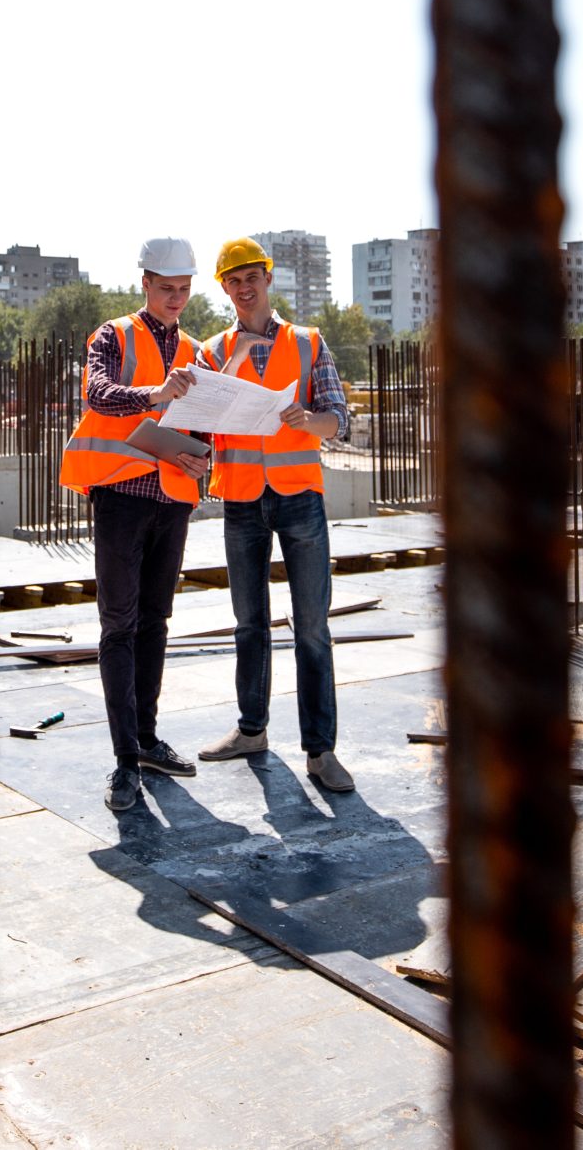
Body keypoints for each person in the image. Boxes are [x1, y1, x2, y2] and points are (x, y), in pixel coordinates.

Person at [194, 237, 357, 793]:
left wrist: (305, 419)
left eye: (251, 277)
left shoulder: (309, 343)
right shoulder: (212, 351)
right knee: (249, 623)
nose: (243, 288)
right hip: (240, 497)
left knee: (312, 626)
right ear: (225, 289)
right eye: (233, 281)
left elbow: (340, 422)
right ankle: (251, 731)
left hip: (298, 496)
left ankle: (321, 751)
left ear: (268, 279)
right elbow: (196, 420)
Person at [59, 238, 211, 813]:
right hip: (121, 497)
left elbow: (205, 427)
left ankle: (147, 741)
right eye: (166, 289)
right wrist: (155, 392)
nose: (176, 299)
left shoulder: (198, 351)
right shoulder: (112, 335)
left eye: (183, 290)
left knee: (155, 622)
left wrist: (203, 456)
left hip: (173, 498)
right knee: (118, 625)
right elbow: (98, 393)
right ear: (146, 282)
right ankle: (124, 762)